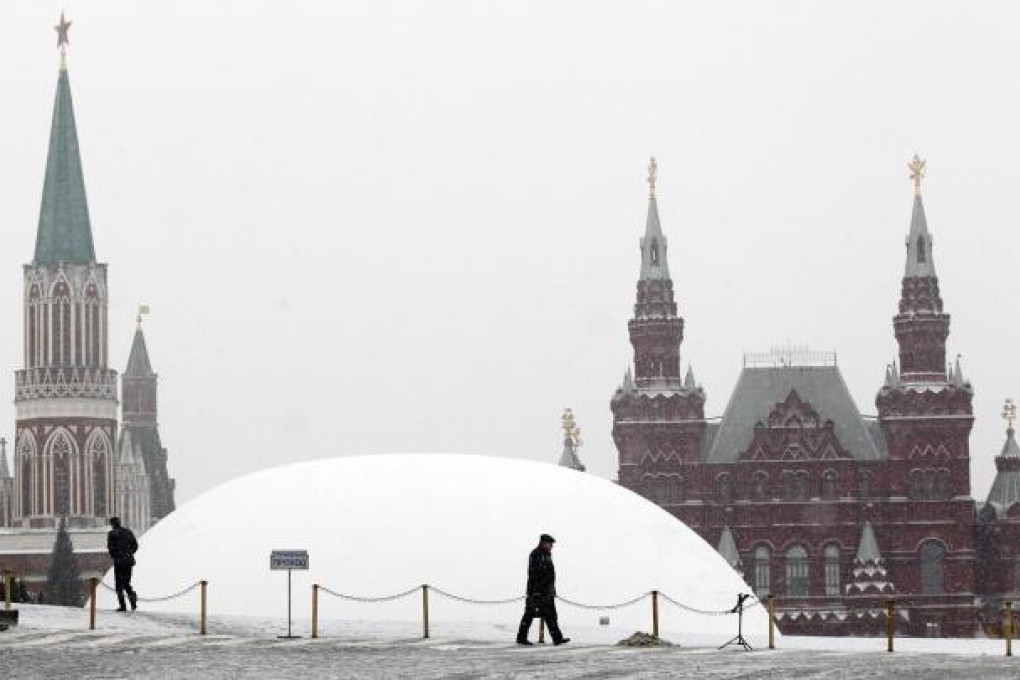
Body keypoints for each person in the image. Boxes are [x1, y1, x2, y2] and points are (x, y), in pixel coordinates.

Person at [516, 533, 569, 646]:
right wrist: (536, 590)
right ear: (544, 543)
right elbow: (533, 574)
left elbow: (550, 575)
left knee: (551, 615)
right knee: (529, 614)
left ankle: (557, 638)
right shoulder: (536, 554)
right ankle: (521, 637)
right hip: (537, 592)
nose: (552, 546)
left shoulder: (547, 555)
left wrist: (551, 590)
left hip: (547, 592)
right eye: (550, 544)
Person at [107, 517, 138, 612]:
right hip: (128, 561)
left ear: (112, 524)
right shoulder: (128, 532)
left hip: (119, 562)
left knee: (119, 585)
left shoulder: (112, 534)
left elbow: (111, 549)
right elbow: (135, 545)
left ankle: (123, 606)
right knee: (126, 583)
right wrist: (129, 553)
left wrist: (116, 556)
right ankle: (133, 602)